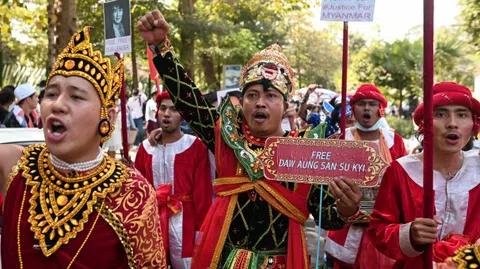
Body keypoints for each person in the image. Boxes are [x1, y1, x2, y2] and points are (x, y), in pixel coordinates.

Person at [138, 10, 362, 269]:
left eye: (271, 96)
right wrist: (160, 49)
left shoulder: (305, 150)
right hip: (223, 260)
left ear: (286, 104)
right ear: (242, 102)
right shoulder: (226, 135)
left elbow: (325, 216)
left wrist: (347, 208)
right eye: (252, 95)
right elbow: (189, 100)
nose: (260, 103)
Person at [0, 27, 166, 268]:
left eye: (76, 97)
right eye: (51, 93)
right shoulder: (16, 165)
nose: (57, 105)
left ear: (107, 118)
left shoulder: (132, 193)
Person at [366, 82, 480, 268]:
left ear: (474, 124)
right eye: (440, 114)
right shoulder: (401, 171)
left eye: (462, 115)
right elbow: (378, 229)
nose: (452, 123)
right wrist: (409, 234)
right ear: (424, 123)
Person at [325, 84, 408, 269]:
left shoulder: (395, 141)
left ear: (380, 110)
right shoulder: (340, 139)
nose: (367, 108)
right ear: (353, 109)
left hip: (383, 222)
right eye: (362, 104)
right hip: (347, 224)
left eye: (372, 104)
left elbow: (404, 181)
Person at [135, 91, 213, 269]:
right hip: (152, 220)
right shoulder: (145, 148)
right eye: (163, 108)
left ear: (183, 115)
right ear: (157, 112)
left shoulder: (195, 146)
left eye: (174, 109)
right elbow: (137, 189)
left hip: (185, 222)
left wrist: (201, 233)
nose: (167, 114)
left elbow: (203, 194)